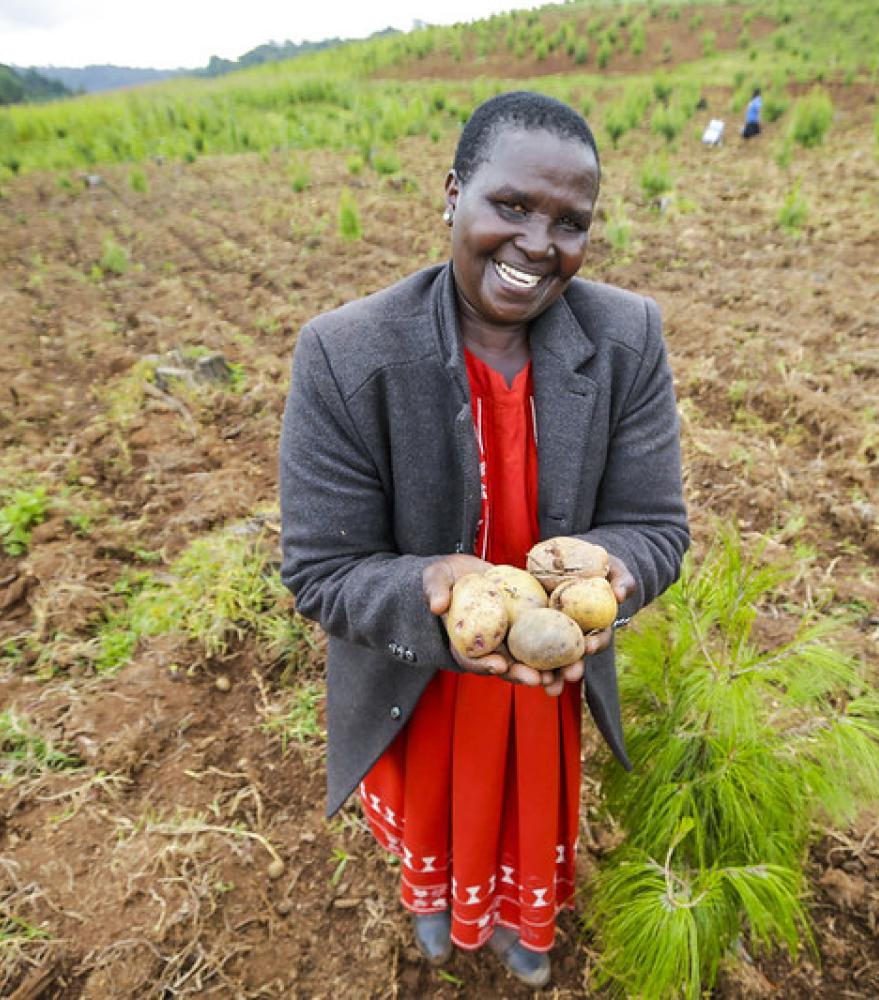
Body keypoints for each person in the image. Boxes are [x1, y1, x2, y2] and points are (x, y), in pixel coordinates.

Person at [279, 91, 689, 988]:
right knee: (434, 810)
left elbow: (656, 526)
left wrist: (611, 575)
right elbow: (321, 570)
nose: (539, 244)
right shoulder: (346, 353)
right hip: (417, 671)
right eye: (511, 206)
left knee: (526, 806)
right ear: (454, 193)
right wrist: (435, 585)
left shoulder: (627, 338)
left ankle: (521, 926)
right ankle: (434, 906)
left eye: (569, 222)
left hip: (547, 675)